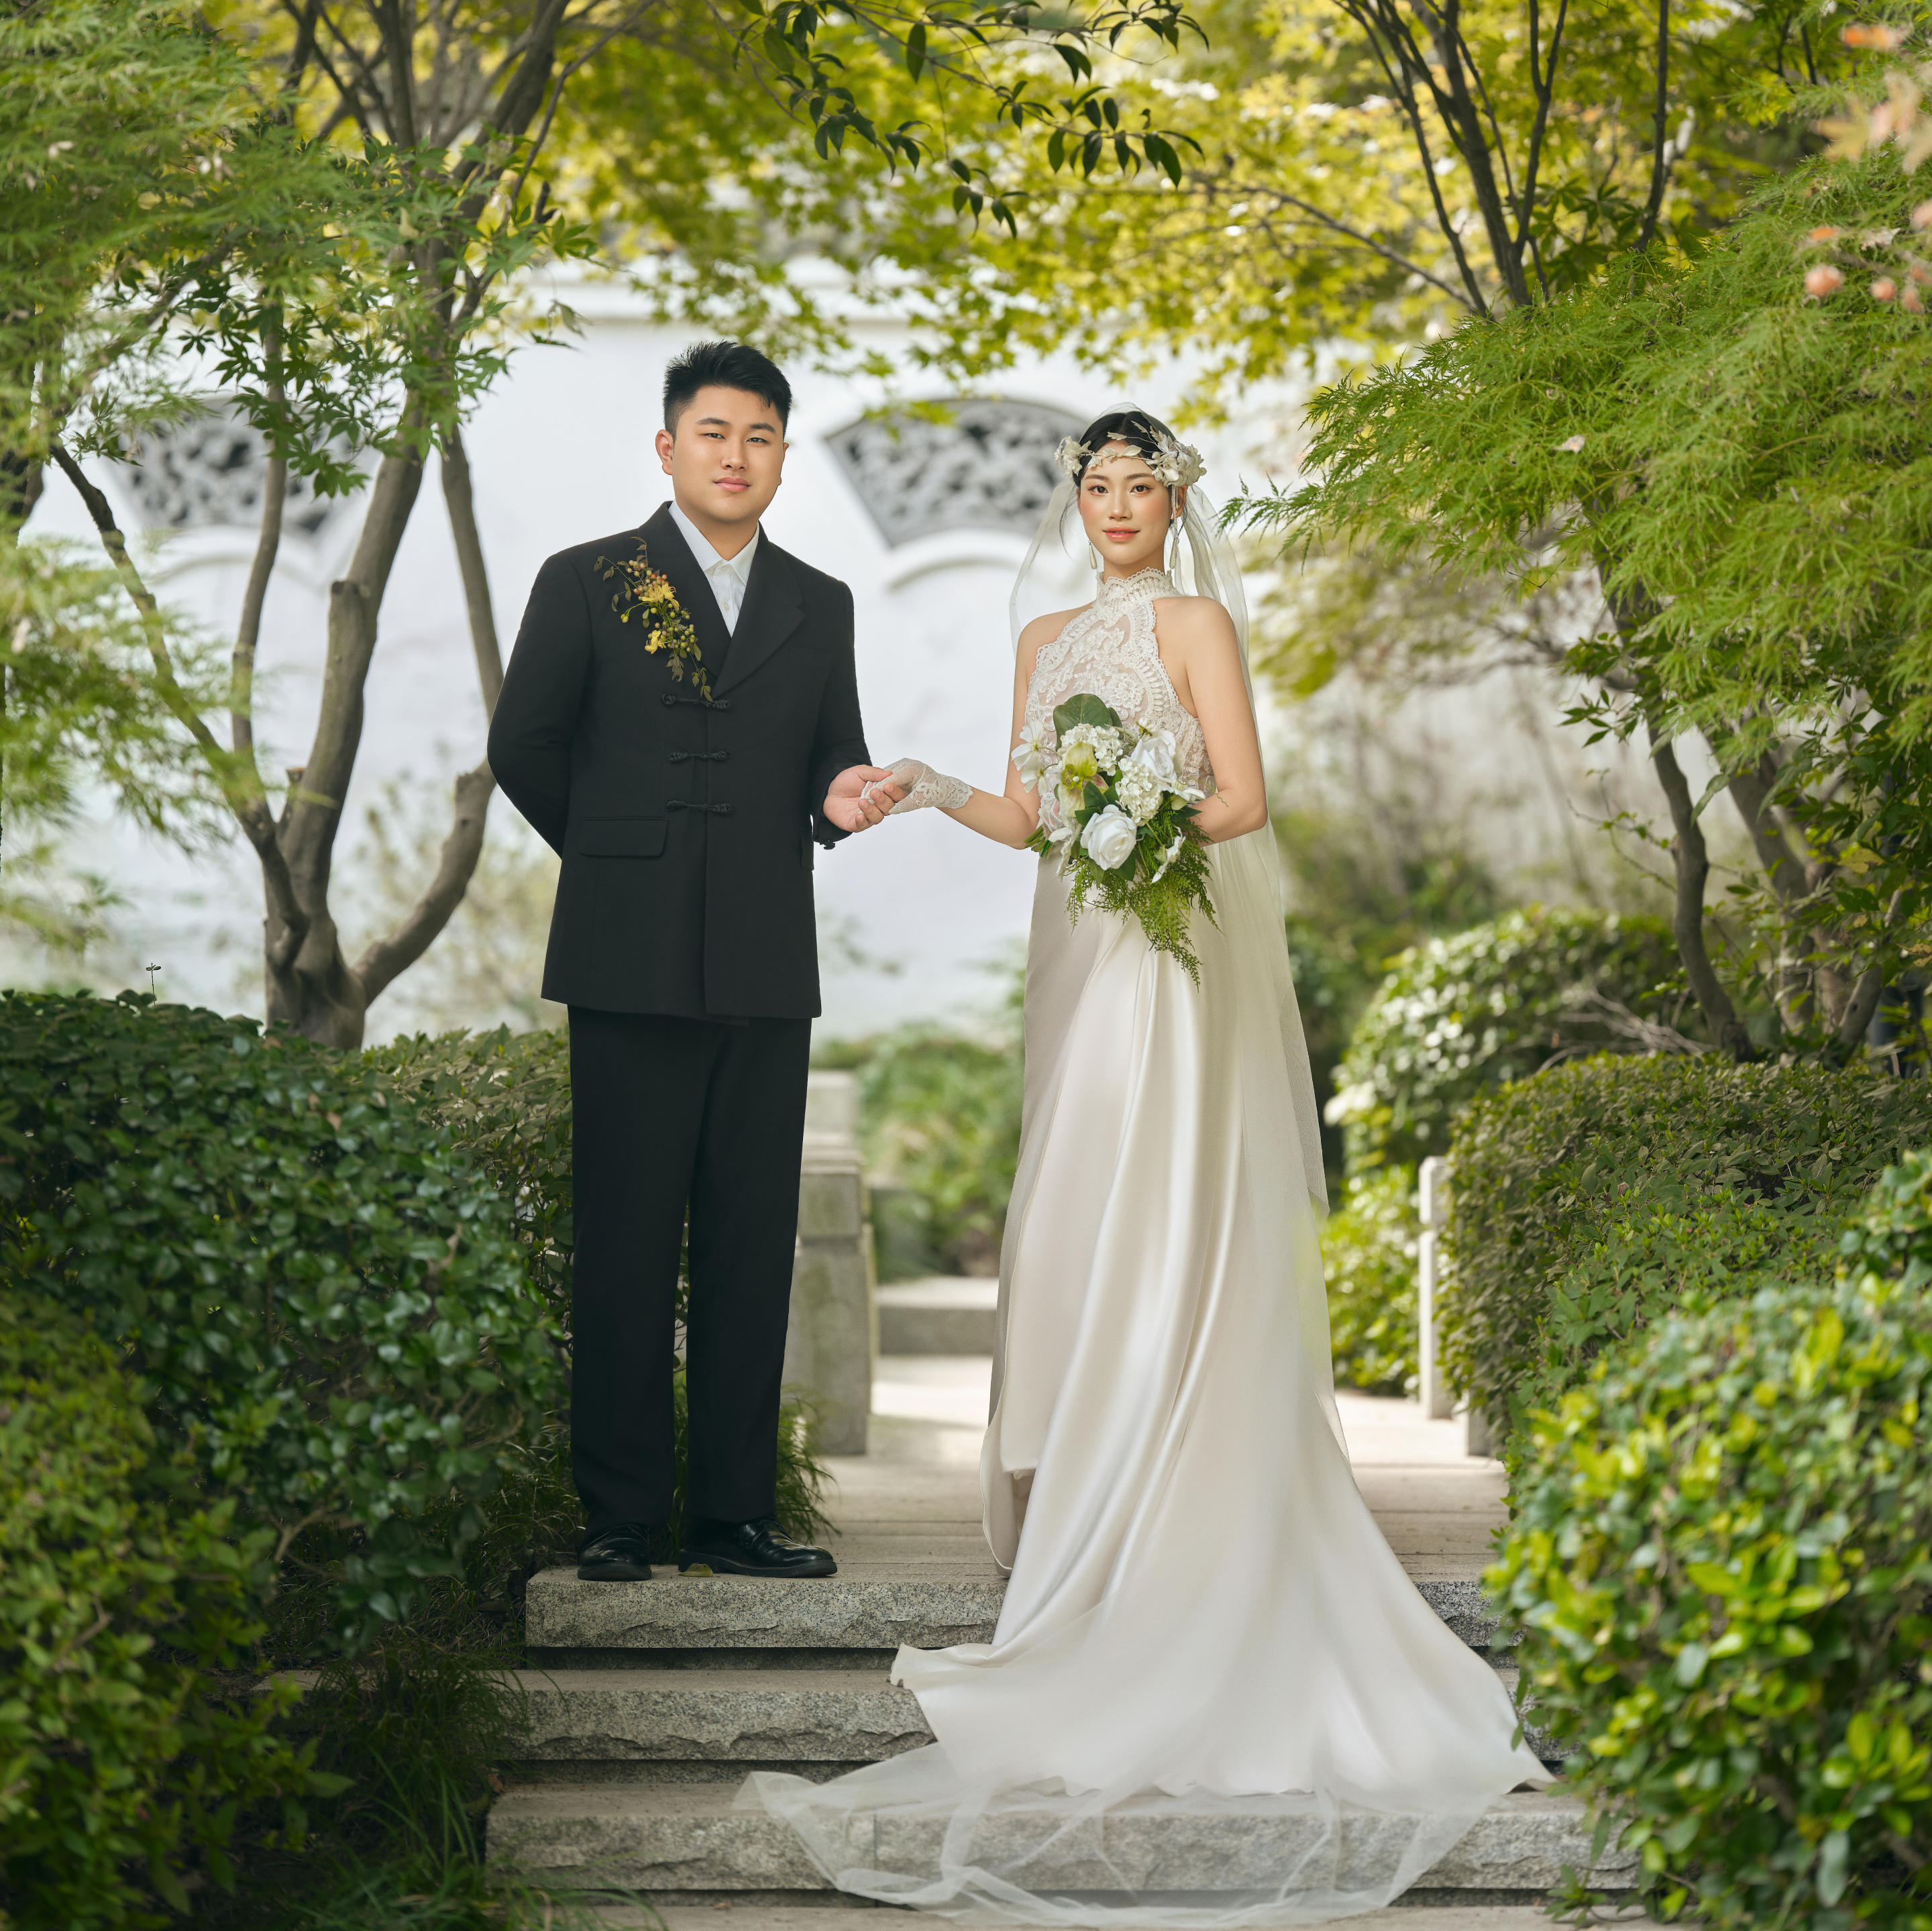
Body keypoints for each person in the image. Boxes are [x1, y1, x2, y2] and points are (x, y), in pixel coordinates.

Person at [746, 411, 1548, 1921]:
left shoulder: (1198, 626)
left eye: (1141, 484)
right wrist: (933, 785)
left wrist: (1143, 818)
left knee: (1159, 1205)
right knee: (1068, 1214)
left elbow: (1243, 795)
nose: (1117, 503)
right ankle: (1087, 1489)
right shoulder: (1044, 637)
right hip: (1076, 949)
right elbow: (1028, 814)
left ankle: (1178, 1483)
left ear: (1176, 503)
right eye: (1097, 484)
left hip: (1167, 957)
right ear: (1077, 501)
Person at [487, 341, 903, 1583]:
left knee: (749, 1245)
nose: (737, 455)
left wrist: (840, 800)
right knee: (623, 1240)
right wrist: (622, 861)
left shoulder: (820, 602)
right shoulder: (586, 579)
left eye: (760, 436)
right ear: (668, 448)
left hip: (767, 960)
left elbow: (832, 756)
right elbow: (524, 744)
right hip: (626, 958)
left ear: (782, 456)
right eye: (715, 433)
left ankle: (732, 1517)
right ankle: (617, 1515)